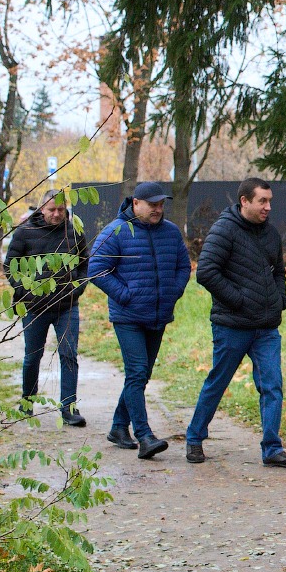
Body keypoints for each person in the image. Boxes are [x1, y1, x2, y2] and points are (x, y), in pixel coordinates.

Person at [184, 178, 286, 468]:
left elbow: (279, 271)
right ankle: (195, 437)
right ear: (244, 201)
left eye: (269, 201)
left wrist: (280, 298)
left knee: (272, 386)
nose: (268, 207)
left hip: (266, 327)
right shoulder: (224, 230)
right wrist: (238, 300)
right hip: (232, 325)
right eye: (262, 201)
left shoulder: (271, 233)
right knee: (218, 382)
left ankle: (272, 448)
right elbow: (206, 272)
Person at [88, 180, 191, 459]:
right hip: (128, 316)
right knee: (136, 372)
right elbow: (96, 268)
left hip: (158, 314)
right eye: (152, 204)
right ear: (135, 203)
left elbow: (184, 266)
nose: (158, 209)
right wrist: (125, 295)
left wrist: (173, 292)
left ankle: (118, 427)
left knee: (142, 374)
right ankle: (144, 436)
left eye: (161, 204)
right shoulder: (117, 231)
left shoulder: (170, 232)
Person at [6, 190, 90, 427]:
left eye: (61, 210)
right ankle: (27, 401)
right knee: (32, 356)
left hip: (67, 306)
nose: (56, 214)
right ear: (42, 208)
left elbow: (85, 264)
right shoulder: (24, 232)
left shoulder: (75, 231)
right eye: (52, 209)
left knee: (69, 354)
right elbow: (11, 266)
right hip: (34, 307)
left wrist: (77, 289)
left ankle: (69, 407)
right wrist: (25, 291)